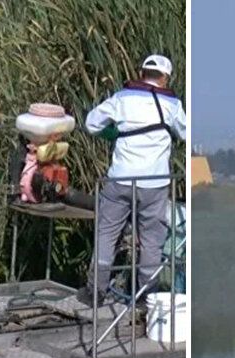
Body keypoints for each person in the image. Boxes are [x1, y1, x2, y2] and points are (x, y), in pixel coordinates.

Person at [81, 54, 187, 306]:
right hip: (155, 183)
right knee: (152, 240)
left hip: (120, 179)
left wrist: (115, 132)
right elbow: (185, 132)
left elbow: (91, 124)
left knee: (107, 233)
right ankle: (145, 296)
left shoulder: (121, 98)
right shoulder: (172, 104)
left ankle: (96, 291)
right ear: (164, 77)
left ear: (142, 73)